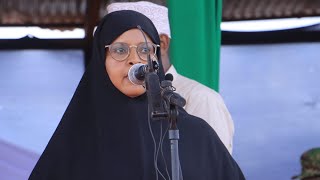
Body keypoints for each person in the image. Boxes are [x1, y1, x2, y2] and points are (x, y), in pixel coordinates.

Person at [28, 10, 244, 179]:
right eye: (120, 50)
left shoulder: (193, 133)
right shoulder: (75, 140)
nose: (135, 60)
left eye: (145, 50)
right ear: (101, 61)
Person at [106, 1, 235, 154]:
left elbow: (212, 168)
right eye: (120, 50)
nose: (131, 59)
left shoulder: (200, 98)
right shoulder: (115, 101)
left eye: (143, 47)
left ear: (162, 43)